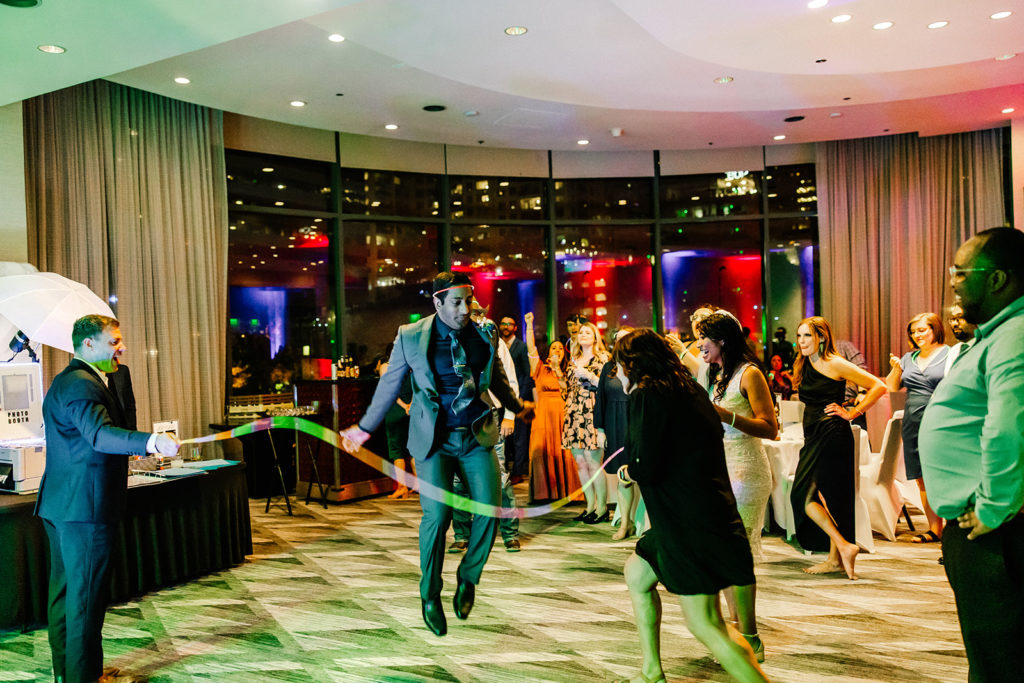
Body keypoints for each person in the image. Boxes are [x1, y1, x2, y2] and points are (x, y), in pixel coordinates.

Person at [339, 272, 532, 637]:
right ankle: (430, 594)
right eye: (456, 303)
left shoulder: (485, 332)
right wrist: (364, 427)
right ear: (437, 302)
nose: (464, 309)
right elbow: (390, 383)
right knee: (438, 516)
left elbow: (496, 380)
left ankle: (468, 577)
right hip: (434, 440)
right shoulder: (410, 336)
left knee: (490, 510)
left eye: (468, 301)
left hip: (476, 434)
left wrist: (516, 406)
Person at [614, 329, 767, 682]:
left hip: (687, 526)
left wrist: (628, 471)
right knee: (637, 573)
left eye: (619, 365)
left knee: (707, 625)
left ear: (632, 365)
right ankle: (651, 672)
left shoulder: (647, 395)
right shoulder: (690, 390)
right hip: (709, 514)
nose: (618, 372)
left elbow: (645, 465)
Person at [35, 314, 179, 683]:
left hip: (64, 504)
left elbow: (92, 439)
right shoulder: (82, 384)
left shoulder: (71, 380)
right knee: (84, 601)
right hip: (86, 509)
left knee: (67, 597)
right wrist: (150, 441)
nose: (122, 347)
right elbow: (100, 435)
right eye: (114, 341)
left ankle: (72, 673)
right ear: (88, 345)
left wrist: (137, 448)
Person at [919, 227, 1024, 681]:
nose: (953, 282)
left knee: (1001, 659)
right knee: (990, 654)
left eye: (961, 272)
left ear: (998, 279)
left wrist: (993, 507)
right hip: (987, 526)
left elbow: (1011, 429)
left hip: (995, 530)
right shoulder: (998, 334)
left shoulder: (1015, 335)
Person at [696, 312, 778, 661]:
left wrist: (725, 415)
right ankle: (737, 627)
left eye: (704, 339)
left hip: (747, 472)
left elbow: (770, 428)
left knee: (737, 556)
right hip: (722, 470)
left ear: (722, 341)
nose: (699, 344)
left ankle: (750, 636)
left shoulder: (750, 374)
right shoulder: (717, 374)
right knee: (724, 554)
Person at [790, 316, 886, 580]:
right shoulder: (806, 362)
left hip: (831, 433)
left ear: (822, 337)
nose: (801, 342)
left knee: (806, 495)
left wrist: (853, 412)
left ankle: (842, 548)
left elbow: (879, 386)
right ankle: (837, 556)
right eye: (799, 336)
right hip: (814, 434)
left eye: (807, 336)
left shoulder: (835, 363)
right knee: (821, 496)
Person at [450, 301, 522, 553]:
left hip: (488, 414)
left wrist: (511, 415)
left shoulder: (494, 342)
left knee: (499, 475)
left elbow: (509, 379)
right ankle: (462, 534)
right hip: (457, 417)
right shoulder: (449, 341)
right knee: (458, 479)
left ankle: (509, 532)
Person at [885, 312, 949, 543]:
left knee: (944, 475)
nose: (917, 335)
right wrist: (895, 367)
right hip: (913, 423)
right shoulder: (908, 358)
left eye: (922, 330)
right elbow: (892, 387)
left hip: (942, 422)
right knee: (921, 477)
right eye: (913, 331)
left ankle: (953, 530)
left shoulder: (949, 354)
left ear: (935, 329)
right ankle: (934, 529)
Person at [523, 312, 580, 501]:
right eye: (553, 348)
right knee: (542, 449)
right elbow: (530, 347)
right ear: (548, 351)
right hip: (544, 414)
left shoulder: (566, 370)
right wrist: (529, 325)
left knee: (565, 452)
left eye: (560, 349)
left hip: (563, 414)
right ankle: (544, 493)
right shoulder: (539, 367)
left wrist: (557, 369)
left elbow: (567, 389)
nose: (556, 350)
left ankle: (567, 492)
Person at [561, 320, 611, 523]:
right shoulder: (574, 359)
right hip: (573, 413)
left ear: (595, 337)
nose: (583, 334)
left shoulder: (603, 358)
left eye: (587, 332)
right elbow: (568, 389)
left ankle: (602, 508)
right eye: (580, 332)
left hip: (592, 412)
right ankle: (589, 505)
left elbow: (608, 387)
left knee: (593, 462)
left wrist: (590, 376)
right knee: (580, 463)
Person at [594, 326, 638, 540]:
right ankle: (626, 523)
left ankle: (648, 525)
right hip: (615, 423)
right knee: (623, 476)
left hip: (637, 421)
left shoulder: (642, 366)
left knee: (645, 473)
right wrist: (601, 430)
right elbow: (600, 399)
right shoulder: (609, 367)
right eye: (619, 339)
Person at [377, 345, 415, 499]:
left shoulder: (386, 367)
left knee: (397, 451)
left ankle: (402, 487)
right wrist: (411, 404)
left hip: (395, 411)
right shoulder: (410, 366)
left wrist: (403, 405)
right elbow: (417, 386)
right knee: (412, 450)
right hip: (411, 410)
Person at [498, 315, 533, 481]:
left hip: (517, 396)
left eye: (509, 324)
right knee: (504, 438)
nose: (506, 326)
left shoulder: (521, 346)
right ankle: (504, 470)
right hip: (500, 397)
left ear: (515, 327)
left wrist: (521, 398)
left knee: (519, 437)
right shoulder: (496, 343)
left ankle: (518, 471)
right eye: (503, 323)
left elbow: (527, 374)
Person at [105, 363, 137, 430]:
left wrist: (133, 432)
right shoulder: (85, 374)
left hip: (123, 429)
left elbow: (130, 406)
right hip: (104, 430)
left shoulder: (122, 370)